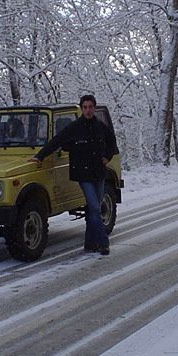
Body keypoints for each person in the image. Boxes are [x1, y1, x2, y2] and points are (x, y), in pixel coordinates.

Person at [30, 95, 117, 255]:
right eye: (85, 107)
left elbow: (112, 142)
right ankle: (103, 242)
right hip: (83, 174)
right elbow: (56, 141)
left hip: (98, 172)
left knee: (93, 209)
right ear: (82, 109)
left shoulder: (100, 126)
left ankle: (89, 244)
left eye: (91, 107)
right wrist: (40, 156)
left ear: (94, 108)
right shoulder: (75, 127)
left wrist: (106, 157)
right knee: (94, 208)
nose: (88, 110)